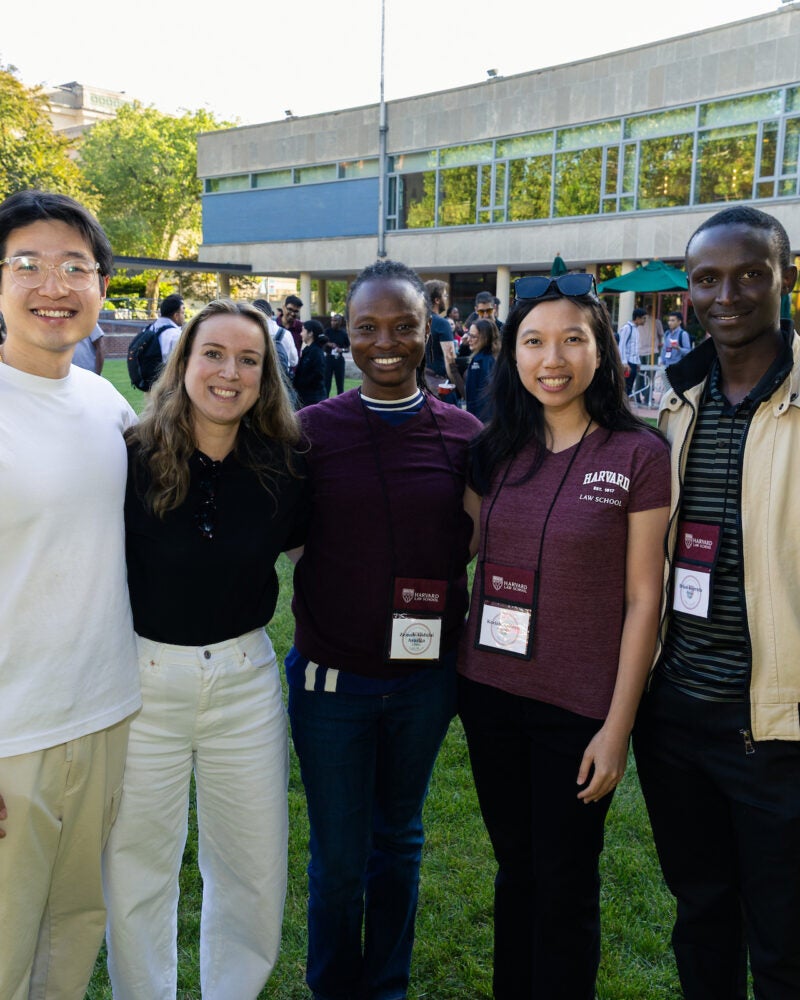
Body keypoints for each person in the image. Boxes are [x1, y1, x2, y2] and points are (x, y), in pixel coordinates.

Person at [458, 272, 670, 1000]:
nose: (553, 359)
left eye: (572, 339)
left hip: (579, 710)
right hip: (488, 693)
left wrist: (618, 729)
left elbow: (644, 599)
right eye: (534, 342)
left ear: (600, 349)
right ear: (512, 353)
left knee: (566, 882)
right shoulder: (493, 449)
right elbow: (459, 548)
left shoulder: (639, 454)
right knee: (515, 870)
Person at [286, 260, 482, 1000]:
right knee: (339, 859)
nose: (386, 342)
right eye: (367, 327)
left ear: (429, 328)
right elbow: (294, 539)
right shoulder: (311, 432)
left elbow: (474, 536)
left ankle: (387, 986)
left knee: (398, 841)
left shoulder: (465, 433)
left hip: (424, 683)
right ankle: (335, 987)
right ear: (348, 333)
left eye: (404, 325)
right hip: (331, 682)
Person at [103, 300, 308, 999]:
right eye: (213, 354)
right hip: (142, 681)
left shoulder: (287, 462)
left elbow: (316, 556)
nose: (230, 372)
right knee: (136, 867)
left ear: (265, 375)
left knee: (253, 866)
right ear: (183, 362)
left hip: (245, 683)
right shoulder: (130, 455)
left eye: (249, 360)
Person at [633, 205, 800, 1000]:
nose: (726, 295)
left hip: (777, 728)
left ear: (785, 279)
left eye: (750, 275)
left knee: (785, 939)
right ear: (688, 291)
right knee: (700, 917)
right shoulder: (673, 403)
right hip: (675, 721)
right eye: (707, 279)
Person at [0, 189, 140, 999]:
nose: (53, 285)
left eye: (75, 267)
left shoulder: (106, 403)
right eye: (28, 264)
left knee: (74, 931)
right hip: (12, 737)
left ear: (100, 286)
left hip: (104, 714)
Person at [423, 278, 459, 403]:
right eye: (445, 295)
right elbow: (450, 360)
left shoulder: (416, 321)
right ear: (437, 300)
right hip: (440, 388)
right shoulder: (442, 323)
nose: (447, 299)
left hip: (419, 386)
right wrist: (459, 386)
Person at [464, 317, 500, 422]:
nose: (469, 339)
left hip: (481, 419)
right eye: (469, 334)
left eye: (473, 336)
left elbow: (481, 396)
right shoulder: (491, 357)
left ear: (485, 338)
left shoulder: (480, 361)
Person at [293, 319, 328, 407]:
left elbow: (317, 374)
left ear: (310, 333)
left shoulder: (316, 352)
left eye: (303, 330)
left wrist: (301, 383)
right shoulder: (309, 350)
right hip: (305, 397)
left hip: (312, 399)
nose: (301, 334)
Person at [617, 306, 646, 396]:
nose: (645, 321)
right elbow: (622, 346)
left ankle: (625, 402)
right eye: (643, 318)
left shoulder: (636, 329)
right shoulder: (627, 328)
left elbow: (635, 348)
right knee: (624, 387)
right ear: (637, 318)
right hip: (627, 363)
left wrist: (638, 362)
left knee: (629, 388)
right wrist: (624, 363)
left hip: (633, 363)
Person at [152, 293, 186, 364]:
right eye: (183, 313)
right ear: (176, 316)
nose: (184, 316)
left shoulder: (150, 328)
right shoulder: (176, 335)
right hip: (166, 370)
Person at [323, 312, 350, 396]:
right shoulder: (327, 331)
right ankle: (325, 401)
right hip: (328, 359)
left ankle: (340, 402)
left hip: (339, 360)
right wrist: (329, 344)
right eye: (332, 320)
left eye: (335, 320)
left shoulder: (343, 334)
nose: (333, 322)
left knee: (340, 384)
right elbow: (322, 342)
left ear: (340, 322)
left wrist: (341, 350)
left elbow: (348, 349)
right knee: (326, 383)